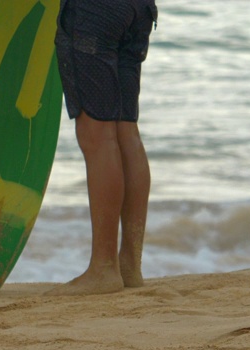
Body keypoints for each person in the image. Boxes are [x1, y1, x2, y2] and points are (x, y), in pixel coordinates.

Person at [47, 0, 158, 295]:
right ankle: (129, 266)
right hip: (139, 10)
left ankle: (103, 268)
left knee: (97, 134)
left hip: (94, 12)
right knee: (125, 129)